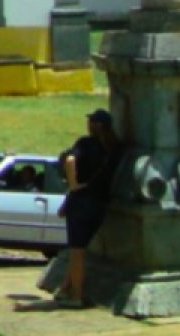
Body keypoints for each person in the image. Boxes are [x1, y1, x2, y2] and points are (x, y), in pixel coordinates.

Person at [56, 108, 121, 308]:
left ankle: (76, 295)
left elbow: (70, 160)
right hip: (101, 204)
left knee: (77, 252)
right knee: (81, 250)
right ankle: (64, 288)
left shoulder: (85, 143)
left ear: (95, 126)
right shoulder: (114, 148)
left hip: (81, 202)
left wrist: (73, 184)